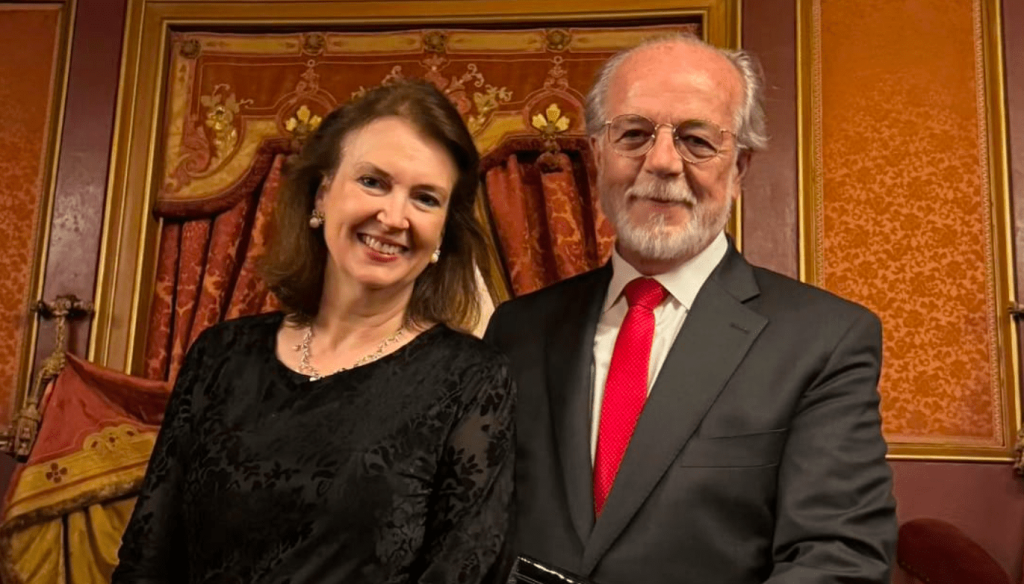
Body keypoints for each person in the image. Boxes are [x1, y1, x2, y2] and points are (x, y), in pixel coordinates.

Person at [485, 35, 896, 583]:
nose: (661, 162)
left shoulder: (824, 340)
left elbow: (838, 560)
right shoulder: (518, 329)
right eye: (633, 134)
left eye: (697, 140)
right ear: (599, 153)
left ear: (739, 167)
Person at [114, 80, 515, 584]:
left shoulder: (473, 381)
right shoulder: (221, 355)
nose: (394, 217)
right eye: (373, 182)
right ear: (323, 193)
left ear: (444, 230)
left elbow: (463, 570)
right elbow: (147, 560)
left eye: (425, 198)